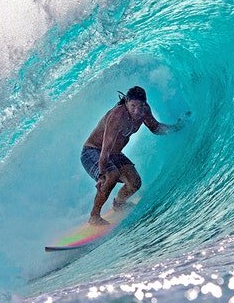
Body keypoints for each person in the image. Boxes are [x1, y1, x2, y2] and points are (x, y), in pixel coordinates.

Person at [80, 86, 189, 225]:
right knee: (111, 175)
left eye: (141, 106)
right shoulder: (116, 117)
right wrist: (101, 176)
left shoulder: (144, 111)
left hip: (115, 154)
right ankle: (94, 216)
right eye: (133, 106)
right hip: (93, 151)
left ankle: (119, 204)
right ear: (126, 102)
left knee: (134, 183)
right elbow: (105, 150)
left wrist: (175, 128)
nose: (137, 111)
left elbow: (155, 128)